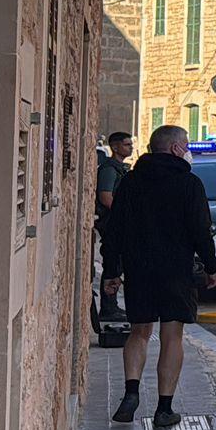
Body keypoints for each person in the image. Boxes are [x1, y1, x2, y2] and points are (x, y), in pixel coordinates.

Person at [100, 125, 216, 429]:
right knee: (171, 335)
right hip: (176, 270)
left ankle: (130, 392)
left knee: (139, 331)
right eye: (187, 145)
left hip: (139, 268)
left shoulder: (130, 183)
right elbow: (200, 230)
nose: (188, 150)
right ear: (176, 149)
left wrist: (112, 271)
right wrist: (211, 266)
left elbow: (114, 230)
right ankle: (164, 408)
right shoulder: (189, 184)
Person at [94, 131, 135, 323]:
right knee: (112, 264)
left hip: (118, 223)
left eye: (130, 144)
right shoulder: (110, 169)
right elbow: (105, 196)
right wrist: (122, 212)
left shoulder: (121, 168)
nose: (130, 147)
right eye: (126, 145)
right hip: (111, 224)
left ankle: (112, 306)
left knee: (117, 264)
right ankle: (109, 307)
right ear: (116, 147)